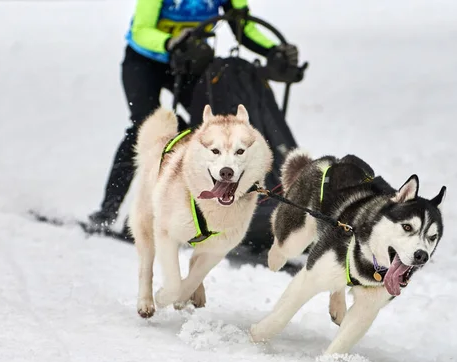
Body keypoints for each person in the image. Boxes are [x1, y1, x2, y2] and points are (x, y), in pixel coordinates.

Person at [89, 0, 300, 228]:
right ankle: (108, 210)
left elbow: (243, 26)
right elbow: (141, 30)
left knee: (207, 129)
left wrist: (273, 51)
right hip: (145, 62)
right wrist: (170, 42)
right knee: (144, 128)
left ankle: (201, 210)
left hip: (191, 61)